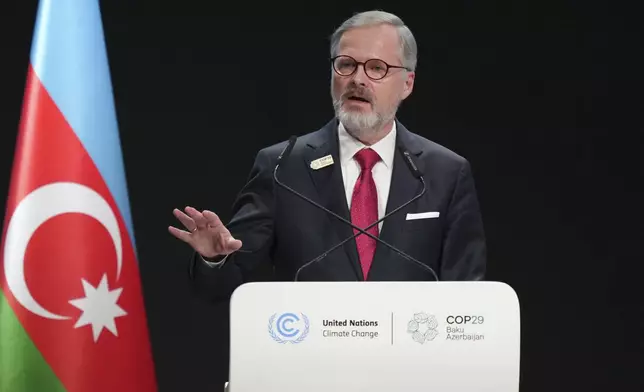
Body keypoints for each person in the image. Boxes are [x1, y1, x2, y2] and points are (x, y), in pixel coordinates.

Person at [168, 10, 486, 302]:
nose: (357, 79)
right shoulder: (282, 167)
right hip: (313, 358)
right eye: (346, 64)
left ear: (407, 83)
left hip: (409, 358)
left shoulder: (445, 172)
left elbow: (468, 297)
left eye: (376, 68)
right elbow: (222, 286)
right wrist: (215, 258)